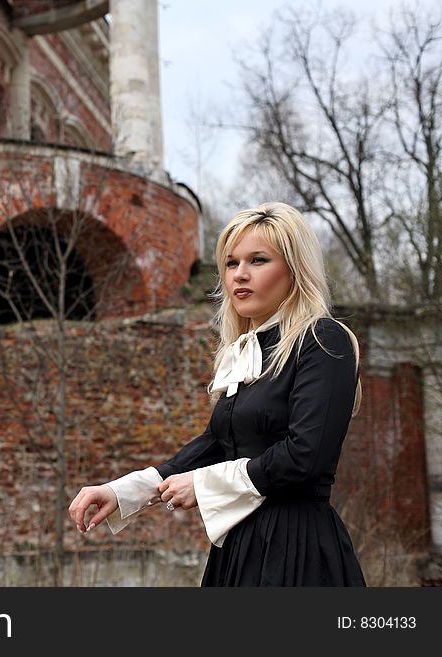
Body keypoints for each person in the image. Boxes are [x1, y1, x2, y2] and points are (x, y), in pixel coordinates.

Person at [69, 202, 366, 586]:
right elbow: (217, 442)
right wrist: (125, 490)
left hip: (297, 549)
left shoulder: (324, 340)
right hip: (238, 546)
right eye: (231, 263)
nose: (240, 275)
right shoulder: (241, 352)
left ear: (294, 269)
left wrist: (205, 484)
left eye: (258, 260)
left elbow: (305, 455)